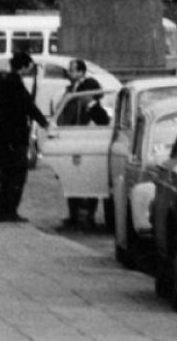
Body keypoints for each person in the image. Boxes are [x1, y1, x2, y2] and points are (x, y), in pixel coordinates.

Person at [0, 51, 48, 223]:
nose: (30, 70)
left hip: (4, 135)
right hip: (16, 135)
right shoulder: (15, 82)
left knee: (6, 174)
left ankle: (1, 209)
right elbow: (28, 105)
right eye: (29, 67)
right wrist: (43, 122)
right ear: (23, 66)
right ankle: (9, 211)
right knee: (17, 176)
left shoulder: (3, 81)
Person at [59, 60, 107, 229]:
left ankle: (86, 216)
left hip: (86, 140)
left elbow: (100, 119)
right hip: (72, 138)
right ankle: (75, 215)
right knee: (71, 179)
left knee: (87, 180)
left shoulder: (88, 92)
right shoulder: (70, 90)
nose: (70, 73)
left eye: (73, 70)